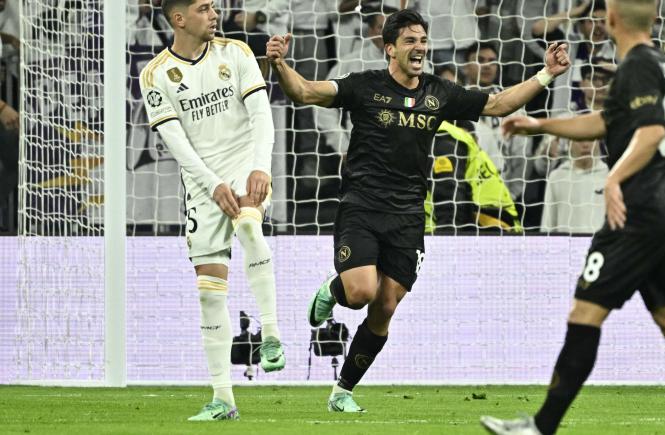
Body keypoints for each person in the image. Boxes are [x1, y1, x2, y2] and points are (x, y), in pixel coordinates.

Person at [266, 8, 570, 412]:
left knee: (385, 307)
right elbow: (304, 92)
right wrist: (280, 64)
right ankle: (332, 289)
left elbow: (497, 105)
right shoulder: (364, 87)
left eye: (423, 41)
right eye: (410, 41)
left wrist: (546, 74)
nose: (420, 48)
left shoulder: (438, 92)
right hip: (362, 206)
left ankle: (342, 392)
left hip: (409, 215)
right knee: (359, 293)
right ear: (389, 48)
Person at [483, 1, 665, 434]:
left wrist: (615, 177)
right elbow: (607, 121)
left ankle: (541, 427)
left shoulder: (636, 66)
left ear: (611, 19)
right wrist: (541, 125)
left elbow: (651, 132)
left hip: (636, 215)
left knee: (585, 312)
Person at [139, 0, 285, 421]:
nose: (214, 13)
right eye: (204, 8)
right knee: (208, 294)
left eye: (214, 7)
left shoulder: (236, 53)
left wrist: (260, 166)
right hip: (203, 183)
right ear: (179, 18)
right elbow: (176, 144)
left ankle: (271, 334)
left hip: (245, 165)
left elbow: (262, 115)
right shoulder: (155, 74)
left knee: (250, 229)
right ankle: (223, 398)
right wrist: (211, 184)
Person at [540, 139, 607, 234]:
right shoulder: (557, 177)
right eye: (578, 139)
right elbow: (548, 224)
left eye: (591, 139)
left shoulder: (610, 176)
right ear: (568, 143)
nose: (585, 144)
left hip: (600, 247)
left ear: (599, 142)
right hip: (566, 247)